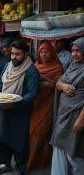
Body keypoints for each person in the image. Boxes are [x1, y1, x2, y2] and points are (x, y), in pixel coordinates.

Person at [0, 40, 40, 174]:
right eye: (12, 54)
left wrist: (15, 101)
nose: (14, 57)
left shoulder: (31, 71)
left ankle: (20, 169)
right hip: (4, 109)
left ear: (25, 54)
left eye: (17, 54)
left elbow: (32, 93)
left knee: (19, 142)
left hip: (21, 111)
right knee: (0, 138)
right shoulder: (8, 66)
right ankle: (5, 164)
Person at [27, 42, 63, 170]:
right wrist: (42, 82)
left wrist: (45, 80)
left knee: (41, 132)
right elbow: (29, 83)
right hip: (35, 104)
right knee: (31, 132)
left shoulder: (58, 67)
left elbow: (59, 85)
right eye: (41, 52)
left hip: (48, 105)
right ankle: (30, 161)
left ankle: (39, 162)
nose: (44, 54)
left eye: (47, 52)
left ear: (52, 53)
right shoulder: (36, 66)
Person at [50, 37, 84, 175]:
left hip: (76, 117)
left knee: (74, 151)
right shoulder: (73, 66)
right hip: (63, 115)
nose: (74, 54)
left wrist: (81, 120)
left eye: (78, 51)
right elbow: (58, 82)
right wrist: (63, 86)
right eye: (73, 50)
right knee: (59, 147)